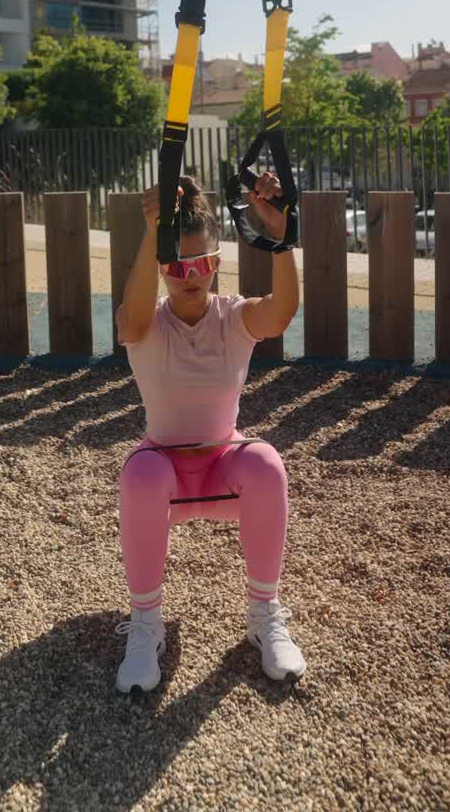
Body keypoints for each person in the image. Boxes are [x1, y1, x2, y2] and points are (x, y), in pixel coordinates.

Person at [114, 172, 306, 693]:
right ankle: (145, 623)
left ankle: (264, 614)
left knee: (266, 462)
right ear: (162, 268)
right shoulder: (148, 321)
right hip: (166, 471)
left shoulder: (232, 317)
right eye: (177, 264)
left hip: (223, 465)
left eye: (200, 263)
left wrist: (282, 237)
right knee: (140, 474)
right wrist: (152, 233)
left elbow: (282, 312)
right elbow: (130, 323)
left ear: (217, 263)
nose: (190, 275)